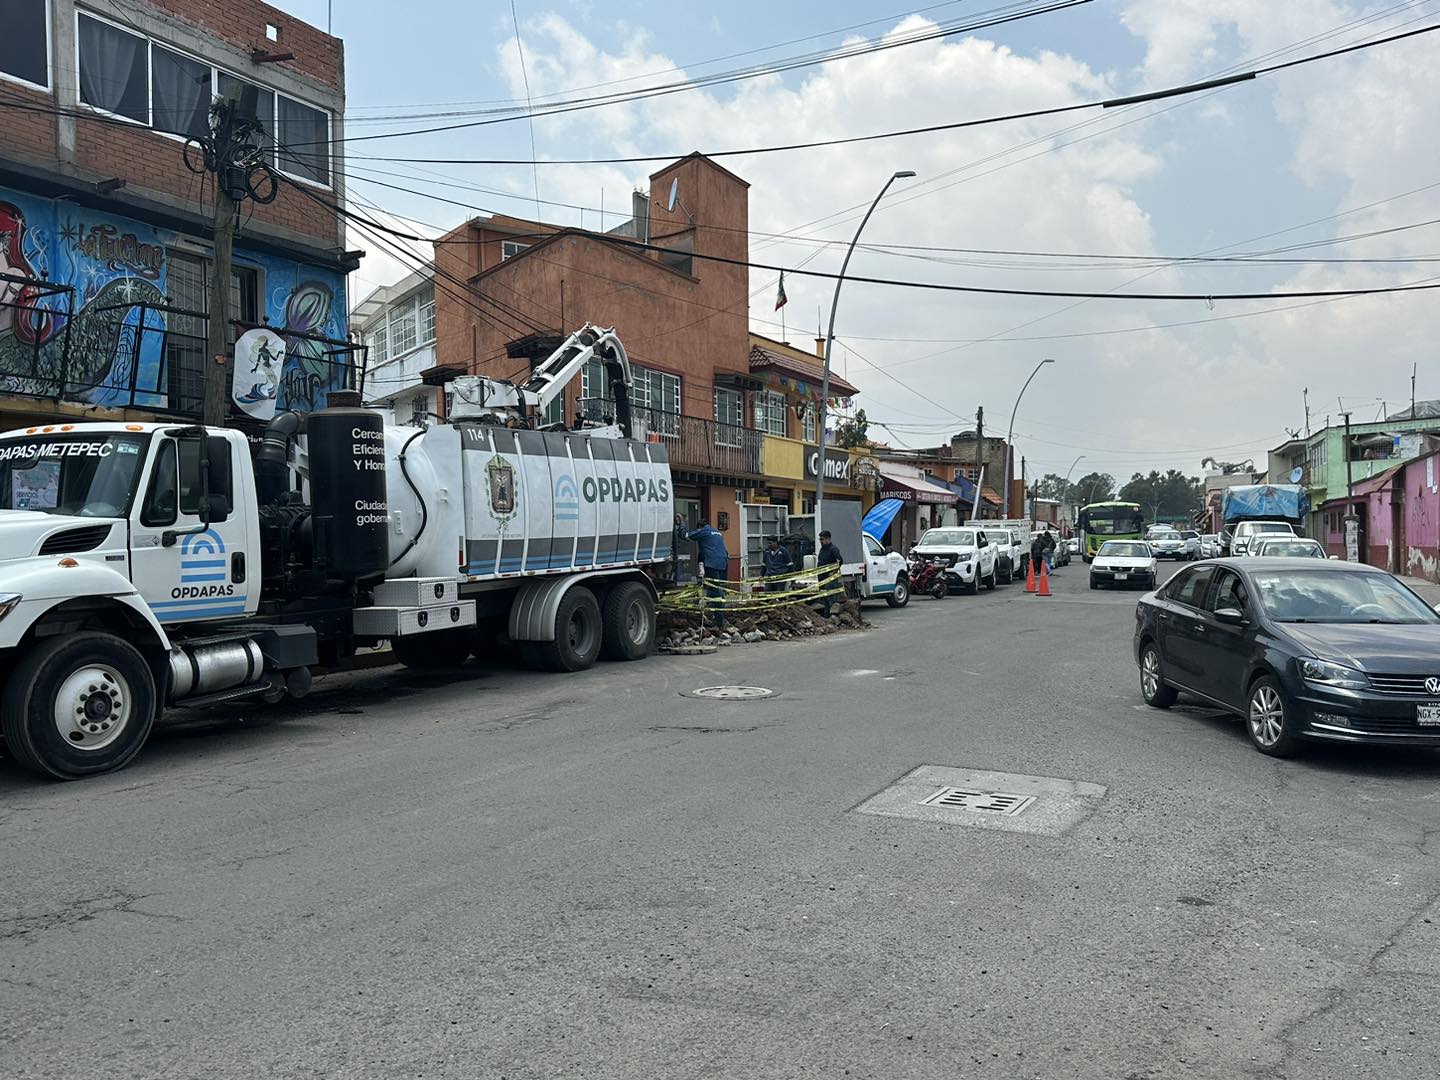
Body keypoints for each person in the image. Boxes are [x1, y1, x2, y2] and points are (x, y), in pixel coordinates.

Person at [675, 513, 731, 623]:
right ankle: (715, 611)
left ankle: (719, 619)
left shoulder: (703, 531)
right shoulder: (716, 532)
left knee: (715, 591)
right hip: (723, 562)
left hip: (712, 563)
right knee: (716, 587)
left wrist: (682, 522)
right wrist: (700, 566)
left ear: (699, 527)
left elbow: (684, 535)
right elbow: (703, 551)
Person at [816, 528, 843, 617]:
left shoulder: (833, 549)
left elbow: (840, 561)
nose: (821, 541)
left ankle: (832, 617)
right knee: (824, 600)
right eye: (820, 539)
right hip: (821, 577)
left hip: (829, 578)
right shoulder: (822, 549)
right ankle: (826, 617)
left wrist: (833, 572)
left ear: (828, 539)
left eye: (822, 539)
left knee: (830, 599)